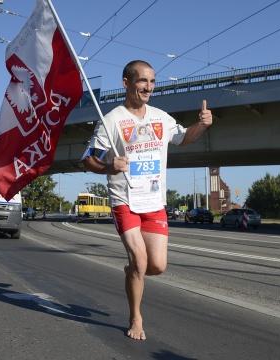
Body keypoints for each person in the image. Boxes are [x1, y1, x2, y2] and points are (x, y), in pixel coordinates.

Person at [81, 60, 213, 340]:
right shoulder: (112, 119)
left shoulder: (160, 117)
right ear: (126, 83)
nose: (148, 87)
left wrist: (201, 125)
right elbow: (87, 159)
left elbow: (184, 138)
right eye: (142, 81)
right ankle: (136, 318)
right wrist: (108, 167)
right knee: (140, 261)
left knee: (157, 266)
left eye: (152, 82)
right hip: (124, 200)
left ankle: (132, 271)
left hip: (154, 202)